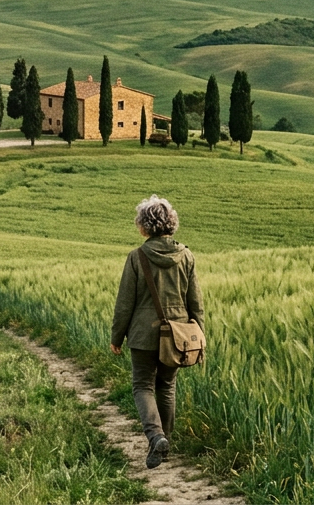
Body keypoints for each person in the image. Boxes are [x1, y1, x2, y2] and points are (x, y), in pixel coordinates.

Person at [109, 194, 204, 469]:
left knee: (142, 386)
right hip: (177, 337)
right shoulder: (186, 256)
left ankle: (156, 437)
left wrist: (117, 337)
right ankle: (165, 443)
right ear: (170, 224)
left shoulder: (137, 257)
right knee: (166, 386)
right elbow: (196, 301)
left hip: (142, 335)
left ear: (145, 226)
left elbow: (124, 302)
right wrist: (199, 338)